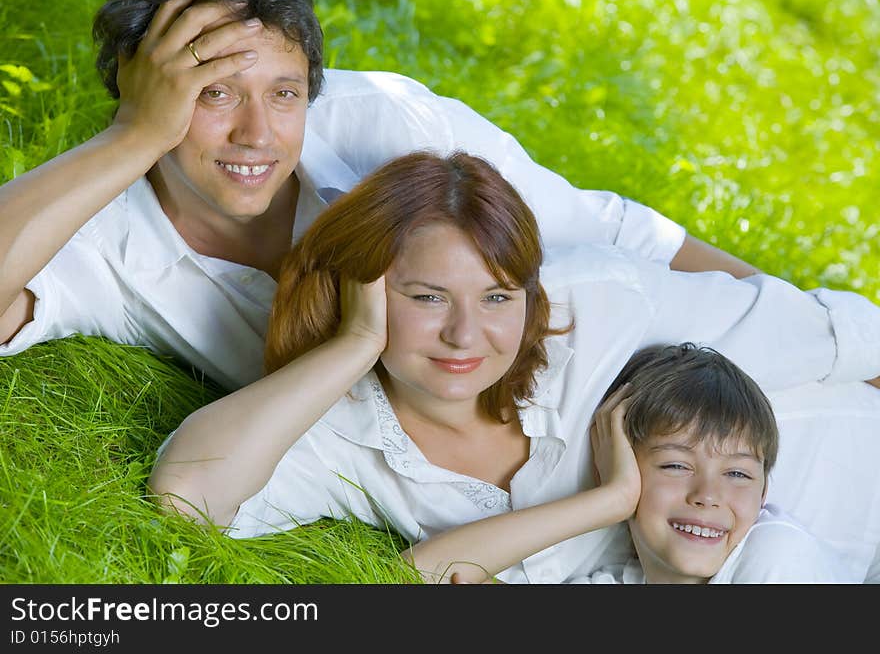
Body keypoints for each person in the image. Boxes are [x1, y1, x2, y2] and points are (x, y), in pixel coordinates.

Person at [148, 150, 880, 583]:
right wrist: (352, 344)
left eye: (497, 295)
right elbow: (187, 496)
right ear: (361, 287)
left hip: (842, 471)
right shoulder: (340, 430)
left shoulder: (601, 305)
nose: (467, 334)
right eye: (427, 296)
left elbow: (830, 334)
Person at [3, 0, 802, 392]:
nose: (258, 135)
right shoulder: (95, 234)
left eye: (283, 94)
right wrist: (133, 140)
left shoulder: (381, 121)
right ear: (139, 92)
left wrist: (809, 323)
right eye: (214, 94)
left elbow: (625, 235)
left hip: (649, 350)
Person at [402, 343, 851, 584]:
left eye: (737, 474)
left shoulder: (777, 559)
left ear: (764, 493)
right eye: (676, 466)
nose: (708, 497)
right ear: (622, 469)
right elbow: (415, 576)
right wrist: (610, 500)